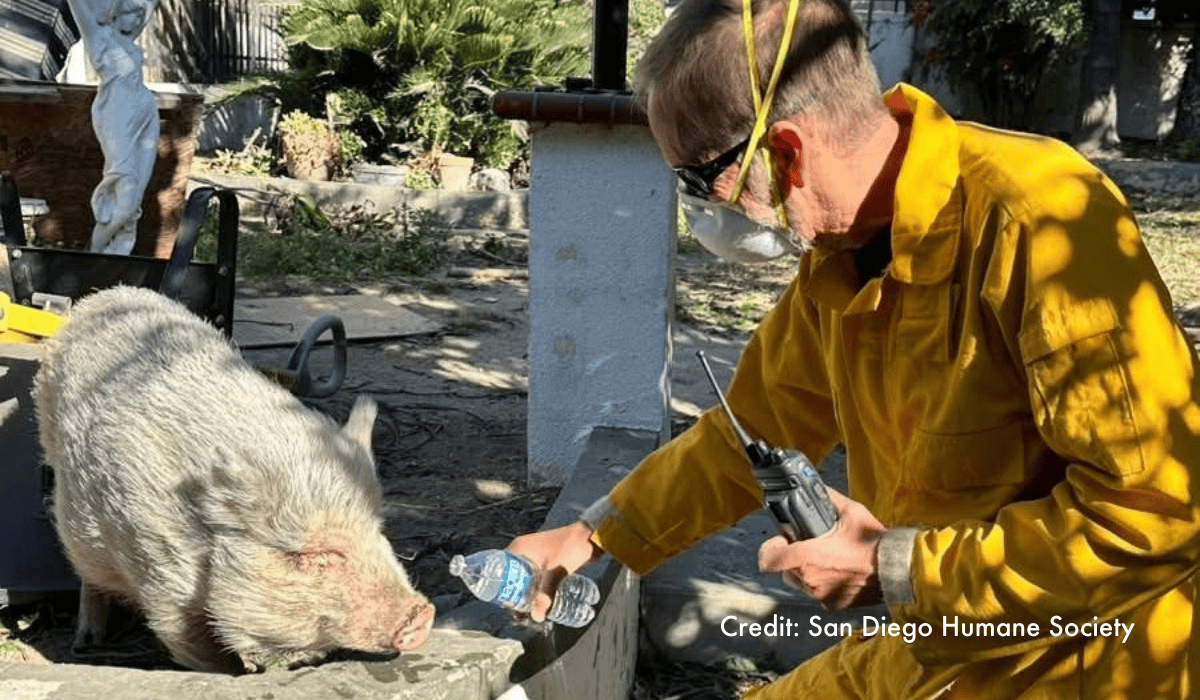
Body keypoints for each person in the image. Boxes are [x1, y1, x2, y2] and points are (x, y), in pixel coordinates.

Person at [508, 0, 1200, 697]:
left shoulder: (1040, 220)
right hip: (934, 638)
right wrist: (597, 537)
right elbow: (749, 436)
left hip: (1087, 657)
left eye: (698, 180)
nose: (700, 210)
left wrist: (894, 570)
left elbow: (1155, 516)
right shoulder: (840, 260)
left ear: (786, 152)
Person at [65, 0, 160, 255]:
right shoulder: (100, 38)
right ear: (117, 14)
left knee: (136, 194)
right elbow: (79, 7)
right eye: (133, 14)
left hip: (145, 112)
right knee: (124, 187)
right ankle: (94, 253)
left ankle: (118, 258)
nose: (139, 20)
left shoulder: (128, 38)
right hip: (116, 116)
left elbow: (150, 5)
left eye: (141, 15)